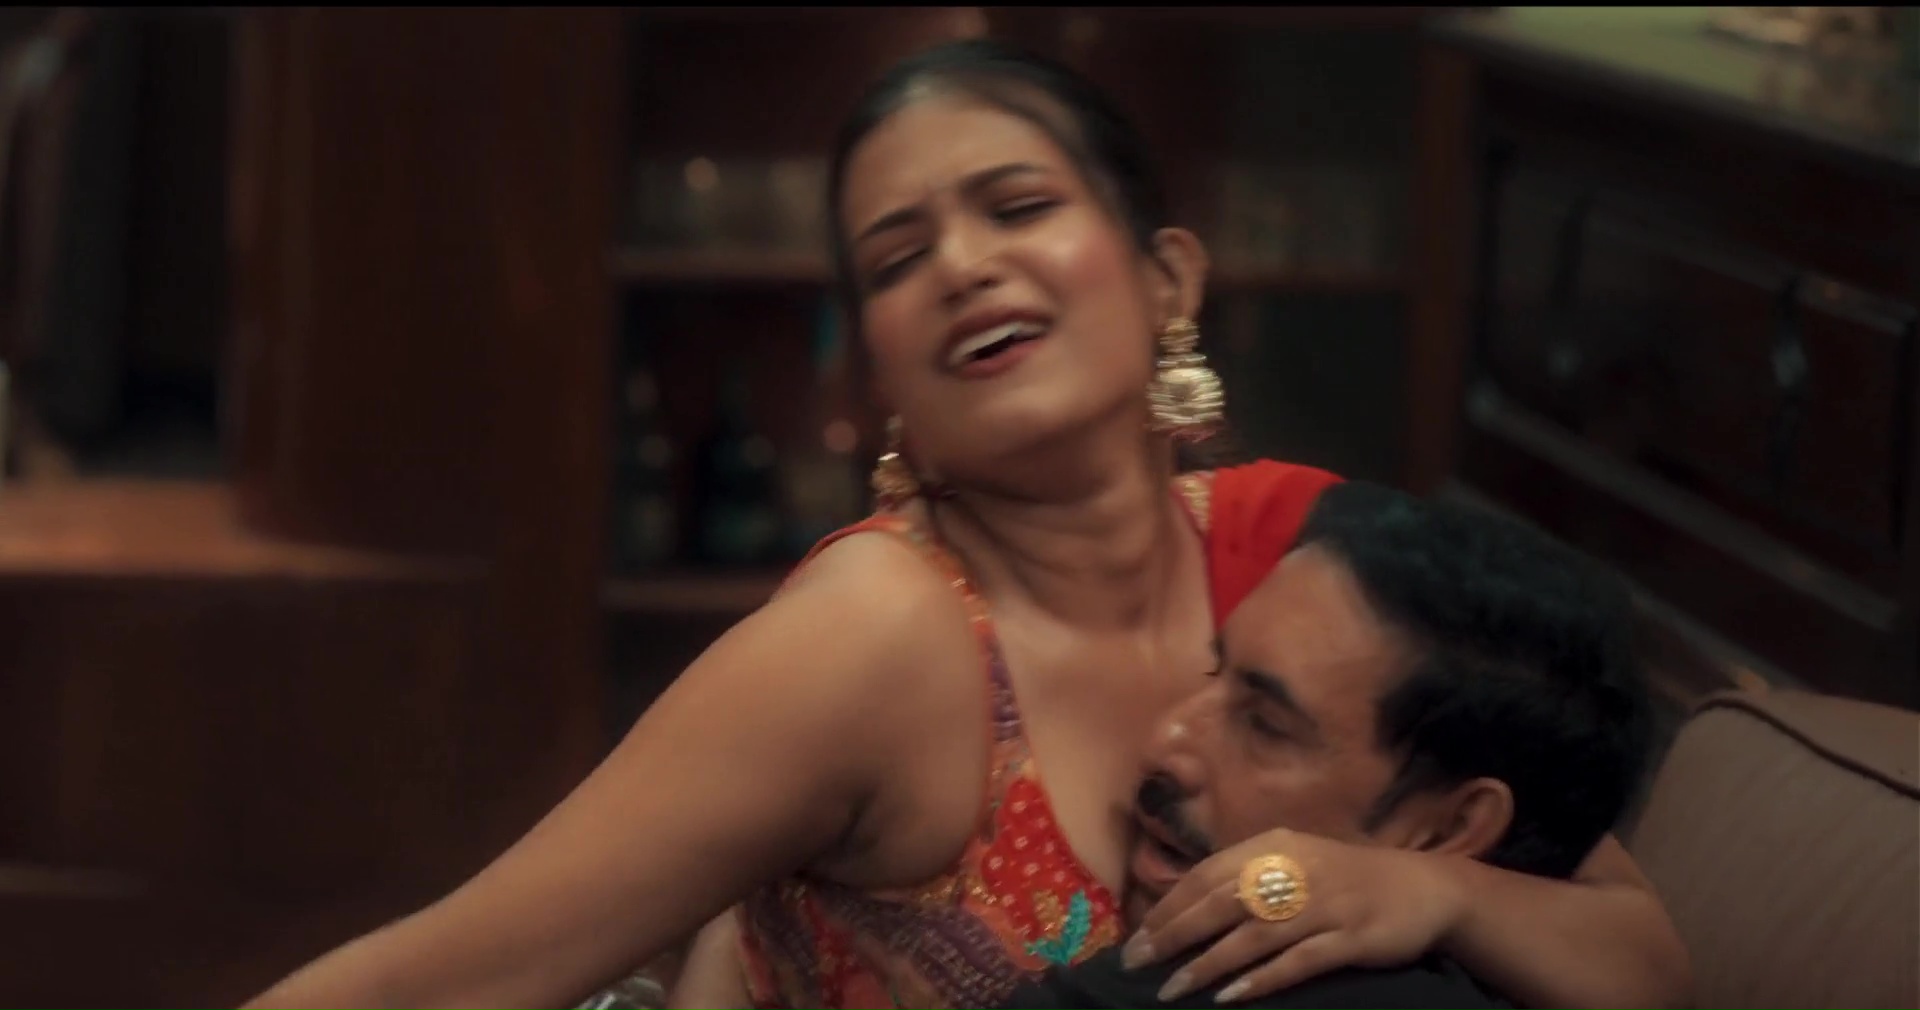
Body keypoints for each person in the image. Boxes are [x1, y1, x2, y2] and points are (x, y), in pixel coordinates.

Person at [238, 39, 1689, 1010]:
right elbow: (440, 980)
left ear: (1167, 276)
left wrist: (1413, 890)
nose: (963, 266)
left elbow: (1641, 959)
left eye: (1016, 204)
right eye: (897, 256)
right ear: (876, 361)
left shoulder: (1302, 552)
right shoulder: (877, 639)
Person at [996, 480, 1655, 1009]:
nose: (1166, 742)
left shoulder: (1249, 969)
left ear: (1450, 828)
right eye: (1214, 671)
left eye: (1265, 725)